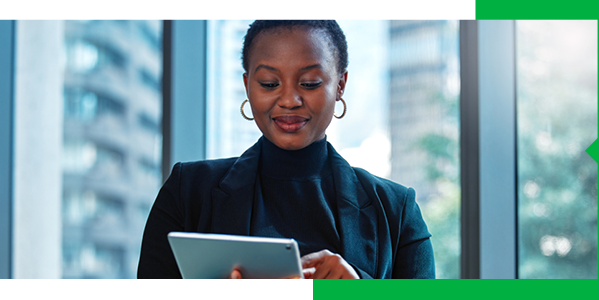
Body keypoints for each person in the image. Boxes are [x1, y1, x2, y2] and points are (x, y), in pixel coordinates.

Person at [137, 19, 435, 279]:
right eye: (269, 84)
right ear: (247, 84)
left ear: (340, 85)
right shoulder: (186, 192)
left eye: (309, 83)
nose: (289, 99)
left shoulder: (397, 210)